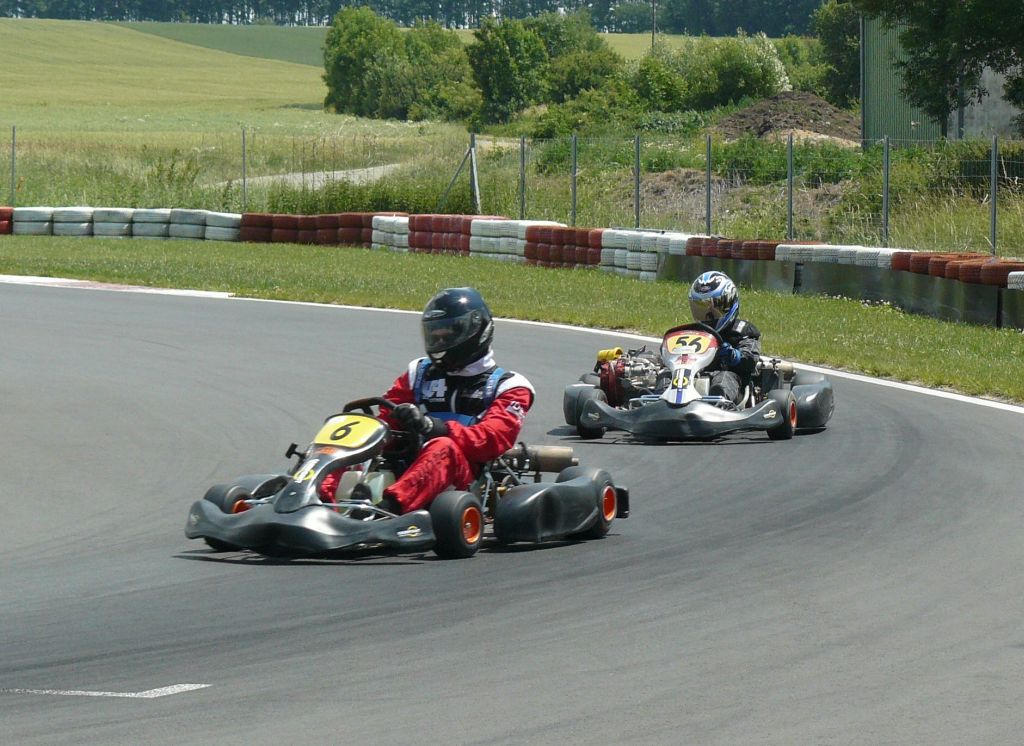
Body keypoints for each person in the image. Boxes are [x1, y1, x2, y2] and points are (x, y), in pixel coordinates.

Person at [347, 287, 534, 515]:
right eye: (434, 337)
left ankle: (385, 511)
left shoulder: (509, 386)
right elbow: (386, 419)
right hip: (407, 466)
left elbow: (490, 440)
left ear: (475, 332)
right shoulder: (419, 372)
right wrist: (387, 426)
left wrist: (433, 427)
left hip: (464, 478)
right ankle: (316, 497)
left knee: (443, 447)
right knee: (358, 437)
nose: (440, 343)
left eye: (447, 336)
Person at [687, 271, 761, 405]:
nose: (706, 317)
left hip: (732, 380)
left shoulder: (742, 331)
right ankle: (660, 404)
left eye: (712, 311)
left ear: (728, 304)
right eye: (700, 309)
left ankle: (718, 406)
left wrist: (733, 355)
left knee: (723, 379)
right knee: (667, 374)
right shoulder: (692, 332)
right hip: (692, 377)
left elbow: (750, 360)